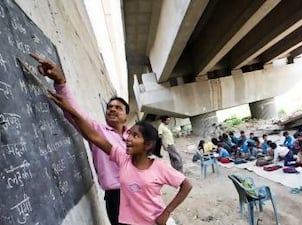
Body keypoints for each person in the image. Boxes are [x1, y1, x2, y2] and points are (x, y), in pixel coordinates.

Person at [48, 91, 192, 225]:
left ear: (148, 145)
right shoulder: (122, 157)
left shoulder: (159, 166)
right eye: (129, 135)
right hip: (120, 208)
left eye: (134, 136)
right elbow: (92, 136)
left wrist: (166, 213)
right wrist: (70, 109)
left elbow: (186, 185)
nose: (128, 139)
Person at [30, 53, 130, 225]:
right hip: (117, 198)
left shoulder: (134, 137)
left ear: (126, 117)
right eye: (109, 107)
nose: (112, 109)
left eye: (118, 108)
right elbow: (75, 114)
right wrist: (60, 83)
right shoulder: (98, 131)